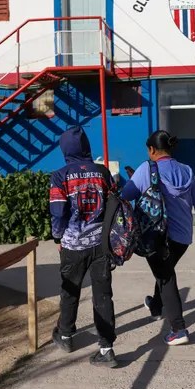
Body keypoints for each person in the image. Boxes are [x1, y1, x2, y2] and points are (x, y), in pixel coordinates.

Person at [121, 130, 195, 346]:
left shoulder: (146, 169)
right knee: (165, 268)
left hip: (156, 236)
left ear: (152, 150)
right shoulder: (187, 171)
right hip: (182, 238)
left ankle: (179, 329)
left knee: (166, 277)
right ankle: (156, 305)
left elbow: (125, 196)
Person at [50, 126, 118, 368]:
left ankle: (66, 336)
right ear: (86, 147)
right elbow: (114, 206)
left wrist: (58, 238)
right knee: (103, 295)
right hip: (101, 245)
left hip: (73, 245)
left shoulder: (60, 176)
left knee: (70, 291)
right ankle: (107, 348)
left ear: (65, 149)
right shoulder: (102, 172)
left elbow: (58, 213)